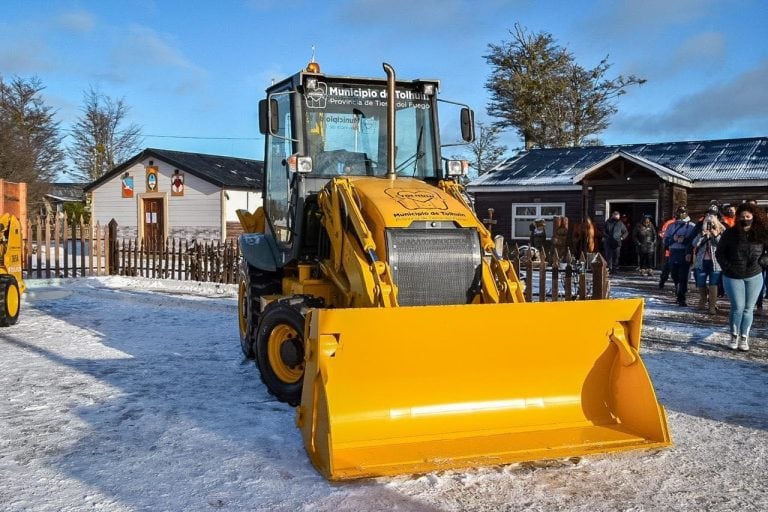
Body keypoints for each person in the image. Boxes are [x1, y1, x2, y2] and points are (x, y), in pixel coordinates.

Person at [715, 203, 768, 351]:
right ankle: (734, 335)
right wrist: (727, 267)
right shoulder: (729, 233)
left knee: (748, 308)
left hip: (754, 274)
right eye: (742, 217)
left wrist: (763, 261)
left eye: (748, 217)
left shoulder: (762, 233)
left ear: (754, 217)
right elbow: (719, 253)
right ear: (738, 217)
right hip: (733, 275)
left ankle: (744, 337)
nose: (745, 219)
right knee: (738, 307)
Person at [692, 204, 725, 314]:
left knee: (713, 284)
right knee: (700, 282)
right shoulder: (701, 227)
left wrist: (716, 235)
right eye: (709, 214)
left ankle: (712, 306)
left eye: (713, 215)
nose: (710, 217)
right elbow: (694, 243)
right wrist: (702, 234)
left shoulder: (723, 228)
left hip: (716, 261)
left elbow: (724, 245)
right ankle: (703, 298)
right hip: (702, 260)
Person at [663, 206, 697, 306]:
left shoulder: (691, 226)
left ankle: (682, 297)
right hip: (673, 252)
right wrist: (673, 239)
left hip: (685, 252)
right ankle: (678, 290)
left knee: (684, 276)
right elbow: (665, 240)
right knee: (674, 275)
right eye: (678, 212)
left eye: (682, 212)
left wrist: (684, 240)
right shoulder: (671, 226)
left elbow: (694, 241)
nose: (680, 214)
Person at [657, 214, 676, 289]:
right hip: (670, 249)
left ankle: (678, 286)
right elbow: (662, 234)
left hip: (680, 250)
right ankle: (662, 282)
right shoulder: (669, 223)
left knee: (678, 269)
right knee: (667, 267)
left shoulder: (686, 224)